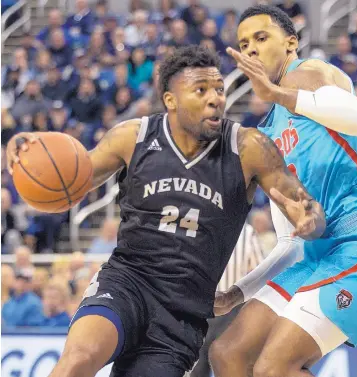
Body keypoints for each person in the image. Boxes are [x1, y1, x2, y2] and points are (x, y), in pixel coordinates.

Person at [6, 46, 325, 377]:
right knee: (78, 359)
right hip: (128, 281)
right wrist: (28, 155)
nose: (215, 98)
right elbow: (74, 178)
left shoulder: (248, 148)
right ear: (171, 100)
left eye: (219, 89)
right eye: (201, 91)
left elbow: (310, 213)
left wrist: (309, 218)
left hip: (182, 312)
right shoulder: (133, 136)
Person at [210, 5, 357, 377]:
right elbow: (289, 243)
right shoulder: (265, 136)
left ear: (291, 42)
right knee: (227, 352)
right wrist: (239, 293)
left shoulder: (309, 74)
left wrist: (278, 92)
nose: (251, 50)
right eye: (244, 44)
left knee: (274, 368)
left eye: (261, 38)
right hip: (316, 254)